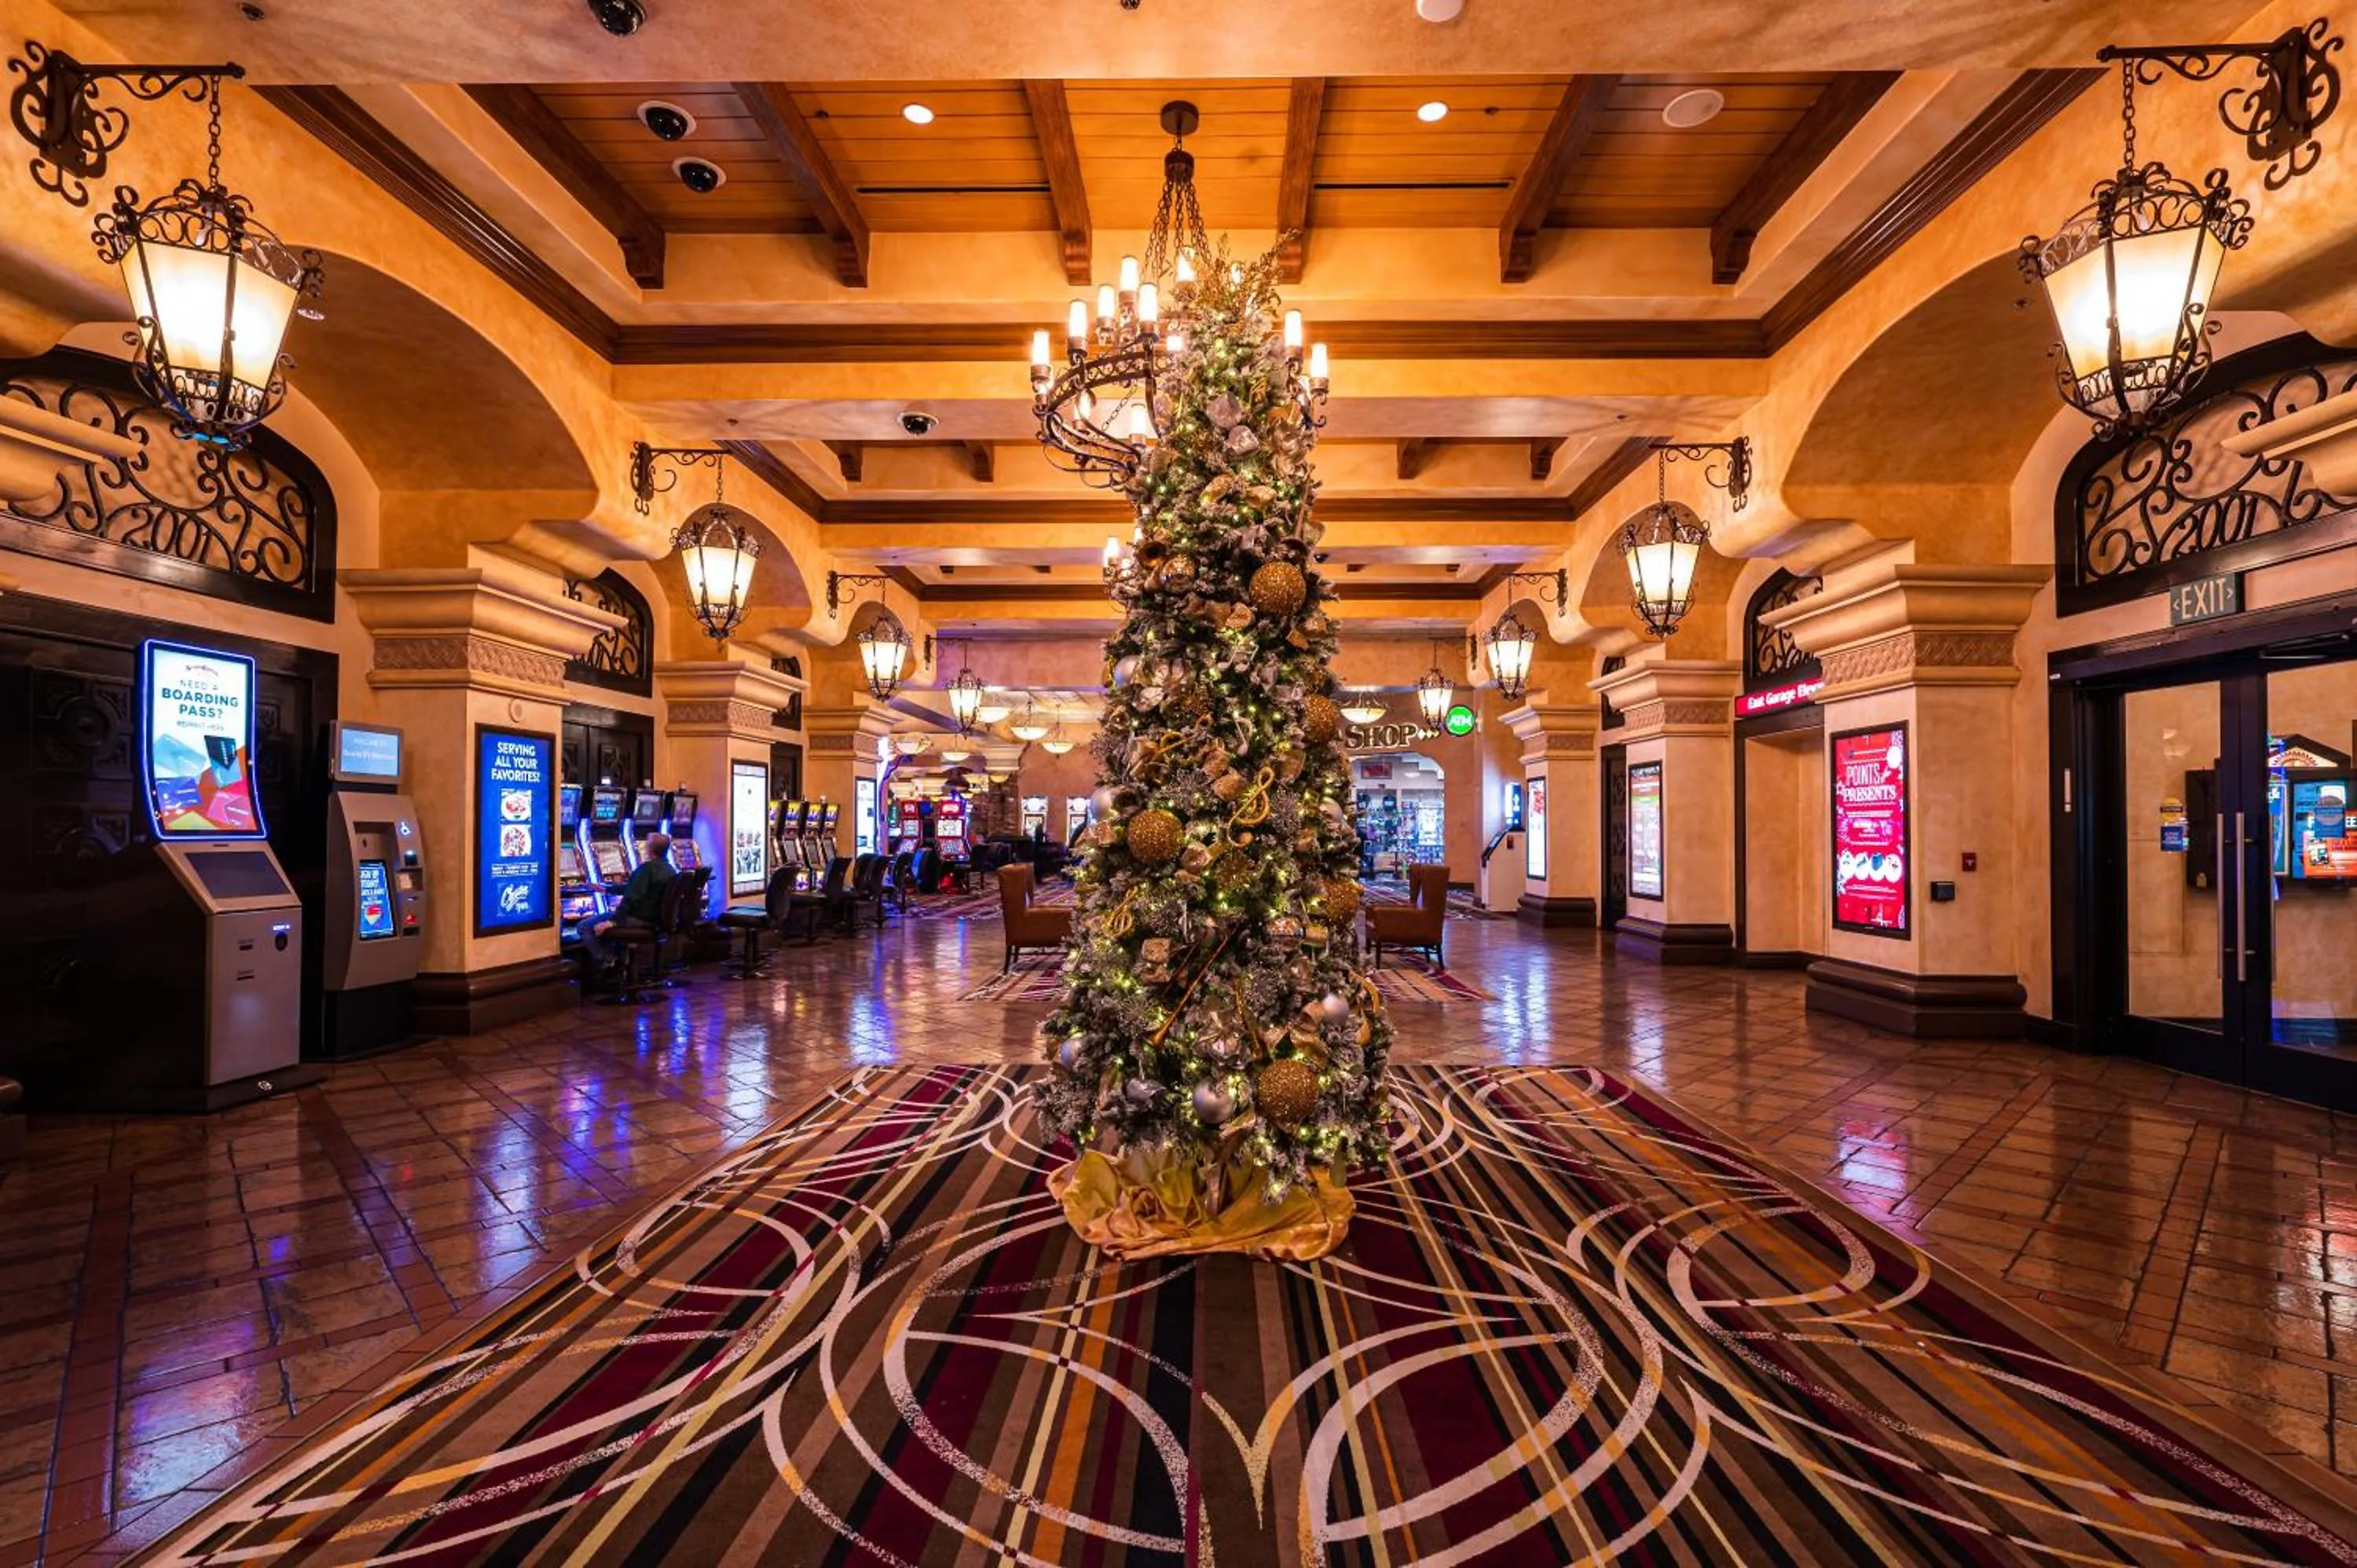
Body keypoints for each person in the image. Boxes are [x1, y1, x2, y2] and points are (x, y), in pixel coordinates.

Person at [580, 832, 675, 984]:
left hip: (639, 919)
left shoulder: (647, 869)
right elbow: (634, 888)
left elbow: (631, 899)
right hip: (654, 920)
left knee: (584, 926)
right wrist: (606, 889)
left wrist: (613, 922)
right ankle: (621, 966)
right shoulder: (670, 870)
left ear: (649, 849)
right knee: (605, 923)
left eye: (646, 844)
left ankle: (611, 960)